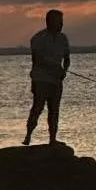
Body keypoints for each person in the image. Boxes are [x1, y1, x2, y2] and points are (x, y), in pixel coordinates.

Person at [23, 9, 70, 145]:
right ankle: (28, 136)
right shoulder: (38, 38)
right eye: (58, 22)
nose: (61, 25)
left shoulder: (63, 39)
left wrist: (64, 71)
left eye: (62, 22)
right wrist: (53, 67)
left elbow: (67, 59)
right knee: (37, 108)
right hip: (41, 79)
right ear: (49, 22)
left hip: (56, 81)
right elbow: (37, 59)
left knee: (54, 110)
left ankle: (52, 139)